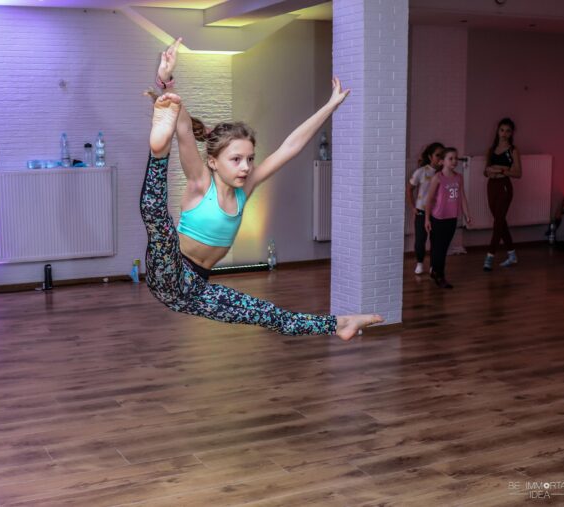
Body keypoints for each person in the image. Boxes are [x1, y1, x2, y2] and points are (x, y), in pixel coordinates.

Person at [140, 39, 382, 339]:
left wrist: (330, 106)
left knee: (268, 314)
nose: (245, 167)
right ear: (213, 162)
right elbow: (185, 130)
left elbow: (290, 146)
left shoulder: (247, 187)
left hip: (194, 289)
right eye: (236, 159)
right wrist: (166, 80)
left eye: (250, 159)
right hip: (169, 267)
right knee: (157, 221)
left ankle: (341, 324)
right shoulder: (201, 182)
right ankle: (159, 152)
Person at [424, 147, 472, 289]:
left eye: (455, 158)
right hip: (438, 218)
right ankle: (440, 275)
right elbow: (429, 200)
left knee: (443, 247)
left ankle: (435, 271)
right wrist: (427, 219)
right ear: (442, 161)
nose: (454, 161)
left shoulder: (459, 177)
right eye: (450, 158)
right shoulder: (438, 178)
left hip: (452, 218)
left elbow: (462, 196)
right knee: (439, 248)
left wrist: (467, 214)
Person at [483, 118, 521, 271]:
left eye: (508, 131)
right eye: (502, 130)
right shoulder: (490, 150)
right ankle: (512, 254)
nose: (504, 133)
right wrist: (489, 172)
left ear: (511, 133)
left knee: (498, 222)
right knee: (500, 221)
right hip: (491, 186)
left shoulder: (513, 150)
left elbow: (518, 173)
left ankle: (490, 255)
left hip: (504, 187)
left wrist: (501, 170)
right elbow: (485, 171)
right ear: (498, 131)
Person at [407, 142, 444, 275]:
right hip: (421, 211)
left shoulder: (444, 173)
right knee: (420, 240)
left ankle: (434, 265)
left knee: (436, 241)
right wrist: (413, 207)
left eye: (443, 155)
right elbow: (409, 189)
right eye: (438, 155)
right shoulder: (421, 172)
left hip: (437, 212)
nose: (440, 158)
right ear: (430, 156)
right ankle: (420, 263)